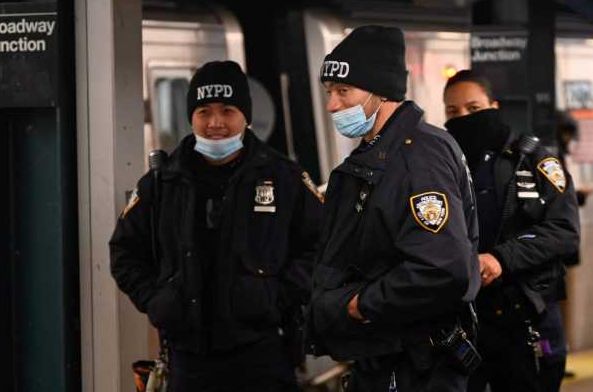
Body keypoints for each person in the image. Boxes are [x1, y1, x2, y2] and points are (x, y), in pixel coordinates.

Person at [109, 60, 323, 392]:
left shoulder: (285, 178)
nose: (215, 123)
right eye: (204, 112)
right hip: (188, 360)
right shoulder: (161, 182)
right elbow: (124, 252)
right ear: (191, 116)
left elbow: (321, 247)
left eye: (227, 110)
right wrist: (156, 300)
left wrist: (276, 296)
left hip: (264, 355)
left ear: (246, 117)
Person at [308, 26, 481, 392]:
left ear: (379, 91)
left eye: (343, 91)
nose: (332, 105)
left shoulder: (418, 158)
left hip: (415, 367)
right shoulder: (383, 153)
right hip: (389, 360)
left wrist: (360, 304)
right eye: (329, 93)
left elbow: (441, 269)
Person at [443, 70, 580, 392]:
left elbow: (563, 230)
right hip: (466, 319)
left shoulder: (533, 161)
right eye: (453, 112)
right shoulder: (444, 166)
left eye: (473, 108)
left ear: (494, 104)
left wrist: (500, 258)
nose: (463, 117)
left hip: (527, 314)